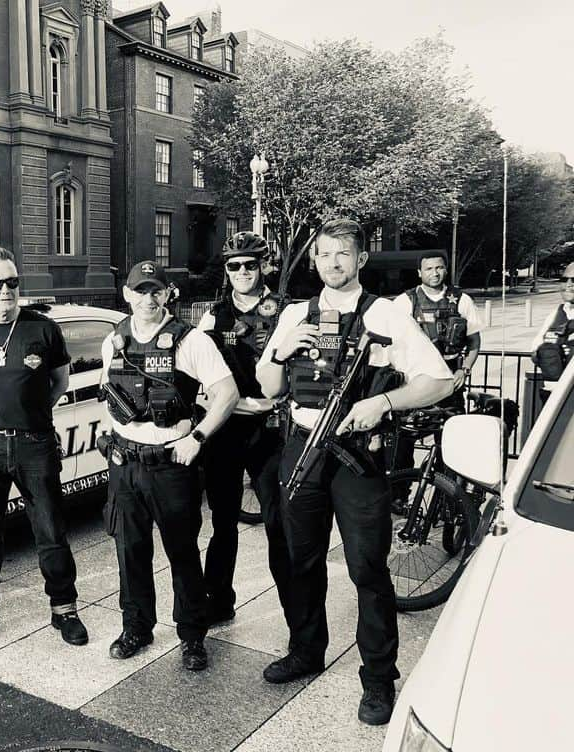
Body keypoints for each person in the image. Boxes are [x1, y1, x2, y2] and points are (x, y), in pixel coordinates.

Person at [255, 218, 453, 726]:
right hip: (302, 448)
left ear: (360, 258)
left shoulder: (386, 314)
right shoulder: (296, 312)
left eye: (343, 253)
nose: (333, 263)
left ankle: (379, 678)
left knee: (367, 568)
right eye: (323, 254)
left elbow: (438, 380)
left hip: (357, 455)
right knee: (300, 561)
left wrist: (384, 402)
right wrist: (280, 349)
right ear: (314, 260)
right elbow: (270, 386)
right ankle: (305, 651)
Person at [98, 261, 238, 671]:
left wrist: (196, 438)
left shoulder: (189, 341)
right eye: (140, 291)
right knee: (130, 551)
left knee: (181, 551)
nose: (148, 299)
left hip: (170, 464)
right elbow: (110, 395)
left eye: (156, 290)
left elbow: (226, 393)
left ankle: (192, 635)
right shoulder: (114, 340)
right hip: (126, 461)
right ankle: (136, 627)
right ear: (127, 295)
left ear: (167, 294)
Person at [0, 247, 88, 648]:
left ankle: (64, 609)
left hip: (34, 446)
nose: (6, 290)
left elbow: (59, 382)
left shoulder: (42, 329)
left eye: (12, 282)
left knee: (50, 530)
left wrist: (31, 413)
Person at [197, 232, 293, 633]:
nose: (241, 272)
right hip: (227, 425)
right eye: (233, 265)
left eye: (249, 264)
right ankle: (218, 601)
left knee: (278, 523)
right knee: (222, 521)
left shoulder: (287, 311)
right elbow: (194, 368)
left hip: (269, 427)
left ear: (264, 266)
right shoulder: (213, 315)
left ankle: (298, 619)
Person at [392, 251, 483, 399]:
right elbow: (393, 343)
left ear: (446, 269)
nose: (435, 273)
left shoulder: (462, 300)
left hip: (451, 376)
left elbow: (474, 340)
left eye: (439, 268)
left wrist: (464, 370)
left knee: (452, 419)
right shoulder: (405, 301)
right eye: (428, 269)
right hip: (416, 377)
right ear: (419, 273)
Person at [530, 261, 574, 390]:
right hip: (552, 396)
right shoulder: (557, 313)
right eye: (564, 280)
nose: (568, 285)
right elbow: (536, 350)